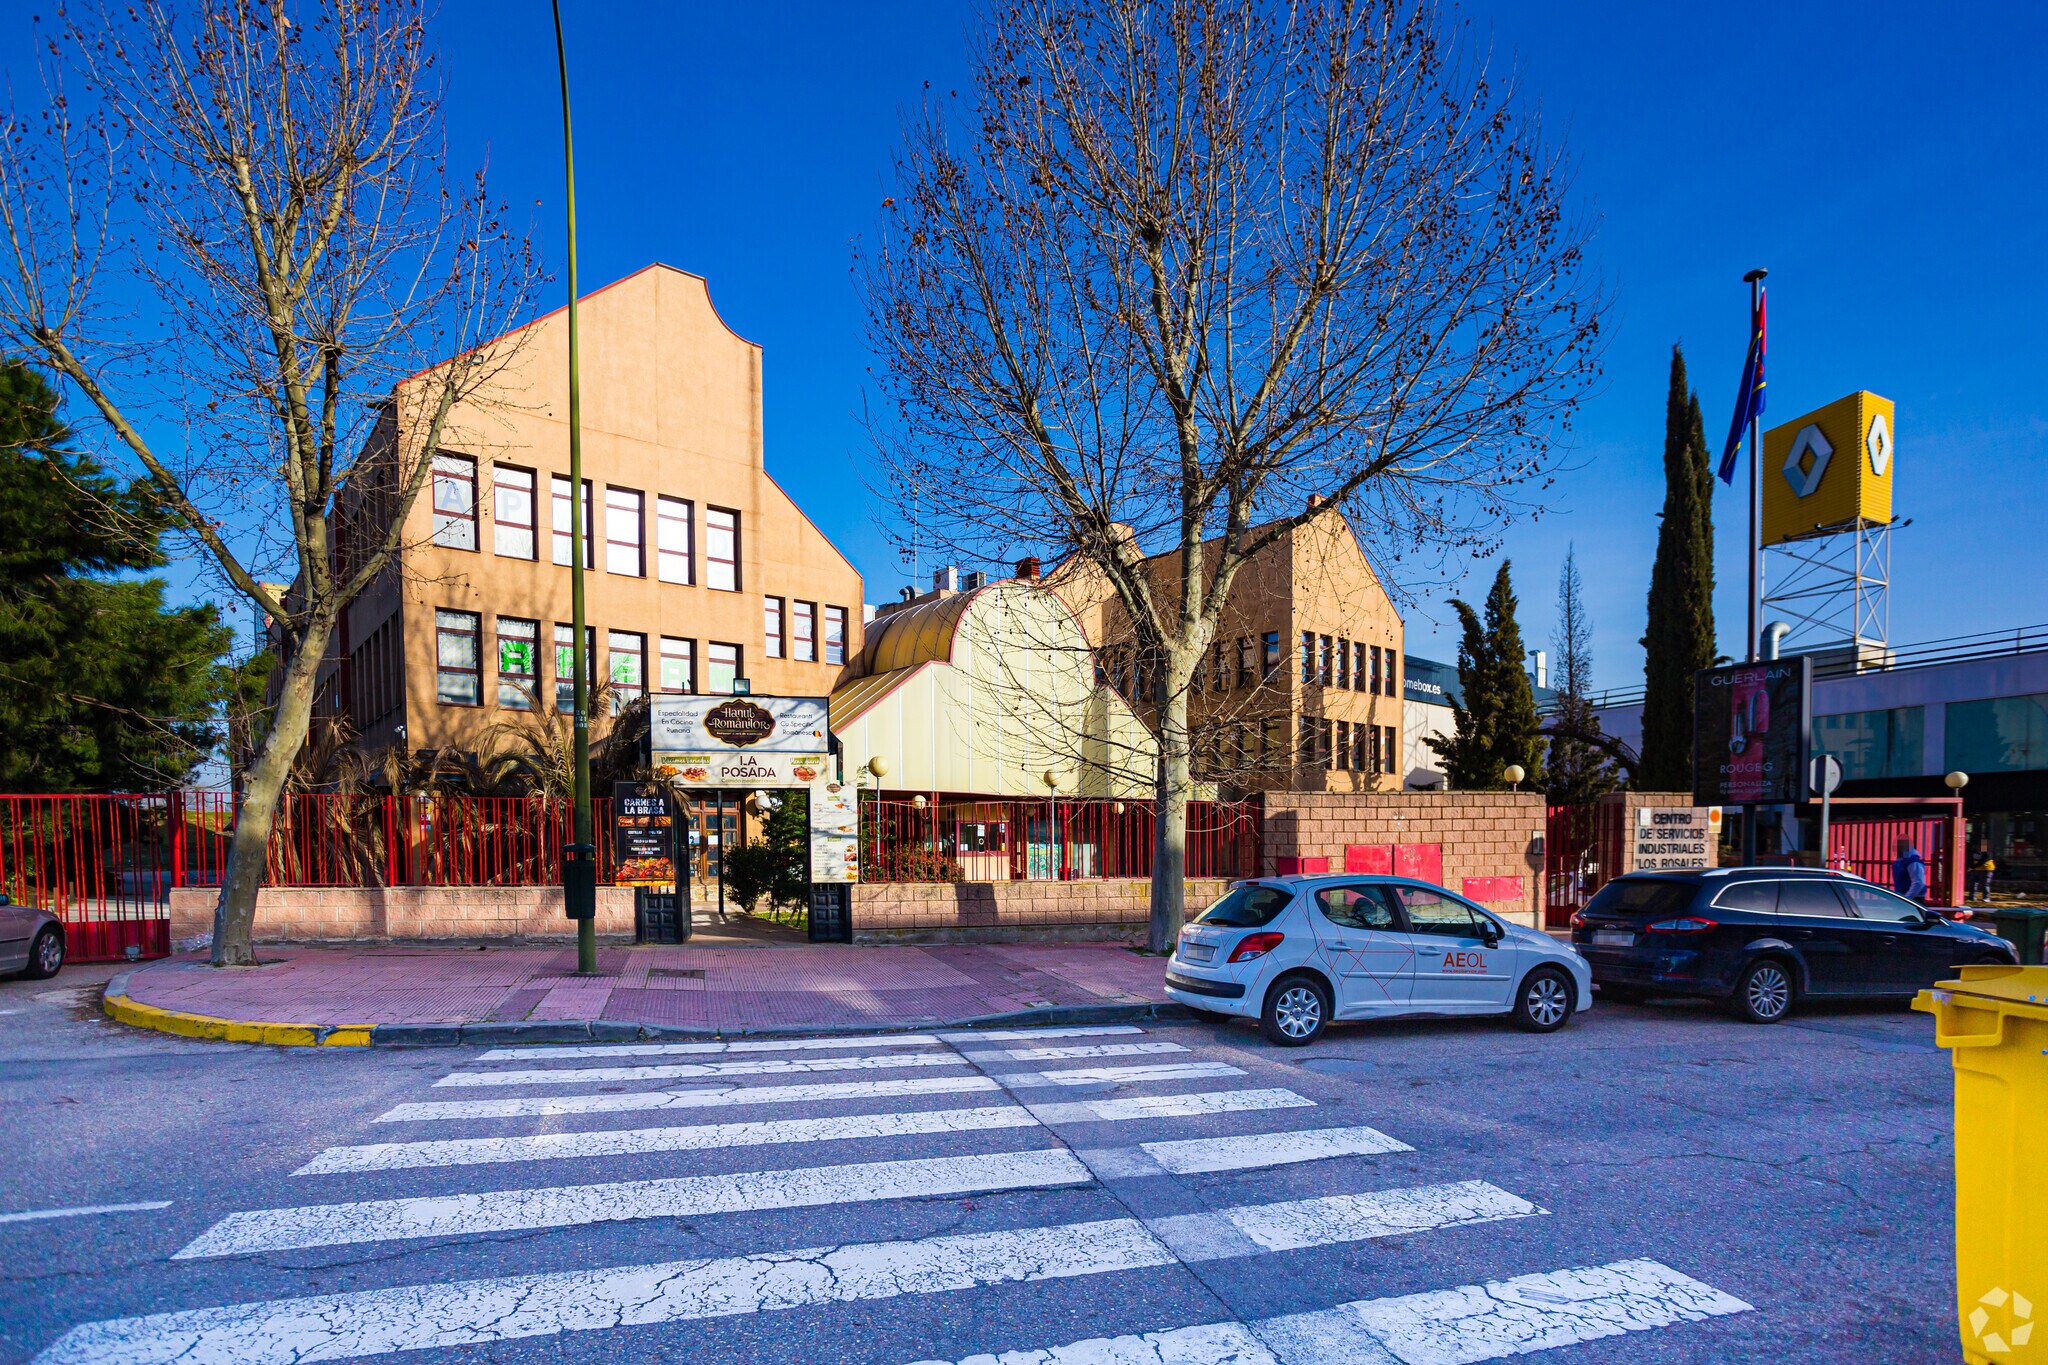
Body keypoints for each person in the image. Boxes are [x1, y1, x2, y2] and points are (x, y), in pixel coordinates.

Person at [1892, 839, 1929, 904]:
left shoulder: (1912, 862)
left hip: (1913, 898)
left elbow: (1918, 883)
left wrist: (1906, 898)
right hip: (1905, 897)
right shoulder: (1902, 861)